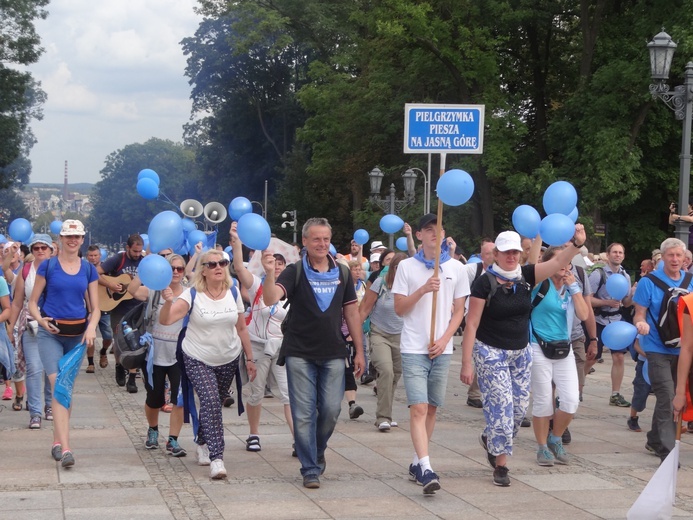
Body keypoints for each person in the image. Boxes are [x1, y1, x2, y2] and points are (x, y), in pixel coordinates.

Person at [460, 225, 587, 487]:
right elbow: (471, 323)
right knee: (502, 407)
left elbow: (559, 261)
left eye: (515, 252)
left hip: (520, 352)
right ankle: (501, 465)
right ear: (495, 254)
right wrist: (466, 362)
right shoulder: (484, 283)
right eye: (506, 252)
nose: (511, 257)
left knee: (518, 410)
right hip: (490, 350)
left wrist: (575, 244)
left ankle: (491, 437)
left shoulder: (527, 276)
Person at [262, 217, 365, 490]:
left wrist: (359, 350)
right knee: (304, 412)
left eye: (326, 239)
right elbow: (270, 298)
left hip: (333, 351)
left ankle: (316, 450)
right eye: (316, 239)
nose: (322, 244)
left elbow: (352, 312)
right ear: (305, 242)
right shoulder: (295, 271)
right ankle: (309, 467)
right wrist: (270, 271)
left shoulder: (342, 272)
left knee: (331, 410)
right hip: (299, 352)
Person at [159, 249, 256, 479]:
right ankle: (217, 458)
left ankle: (202, 441)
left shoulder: (233, 292)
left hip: (228, 357)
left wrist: (250, 358)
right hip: (197, 357)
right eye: (212, 264)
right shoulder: (192, 294)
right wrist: (167, 303)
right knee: (211, 400)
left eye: (222, 263)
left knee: (214, 404)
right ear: (203, 270)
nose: (218, 267)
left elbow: (241, 328)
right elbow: (166, 320)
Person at [392, 213, 469, 495]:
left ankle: (416, 461)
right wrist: (424, 289)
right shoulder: (407, 267)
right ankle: (426, 467)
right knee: (419, 407)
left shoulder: (457, 269)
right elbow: (399, 308)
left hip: (442, 348)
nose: (434, 233)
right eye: (428, 229)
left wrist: (445, 339)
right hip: (413, 346)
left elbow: (459, 311)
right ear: (420, 235)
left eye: (438, 228)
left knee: (433, 407)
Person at [28, 220, 100, 468]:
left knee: (65, 388)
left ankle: (57, 440)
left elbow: (96, 307)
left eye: (77, 236)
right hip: (51, 333)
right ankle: (67, 448)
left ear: (82, 239)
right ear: (60, 238)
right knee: (56, 382)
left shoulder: (89, 269)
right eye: (69, 236)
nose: (73, 240)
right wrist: (40, 320)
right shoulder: (48, 267)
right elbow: (32, 302)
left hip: (77, 336)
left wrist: (91, 327)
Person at [230, 223, 294, 455]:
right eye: (273, 263)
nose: (276, 267)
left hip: (282, 348)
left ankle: (298, 440)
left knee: (289, 394)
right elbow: (238, 268)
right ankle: (253, 434)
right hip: (258, 345)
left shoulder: (291, 289)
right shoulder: (257, 285)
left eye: (280, 264)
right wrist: (237, 242)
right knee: (256, 392)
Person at [633, 237, 693, 462]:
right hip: (656, 347)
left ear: (685, 258)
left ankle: (654, 438)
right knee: (668, 396)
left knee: (672, 397)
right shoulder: (649, 282)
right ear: (663, 257)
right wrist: (641, 323)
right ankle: (668, 452)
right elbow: (639, 312)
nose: (675, 259)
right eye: (671, 255)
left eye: (679, 255)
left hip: (684, 349)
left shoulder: (691, 282)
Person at [530, 246, 589, 467]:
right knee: (544, 400)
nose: (564, 265)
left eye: (567, 261)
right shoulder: (540, 283)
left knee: (571, 400)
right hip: (538, 346)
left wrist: (574, 288)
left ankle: (556, 438)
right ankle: (542, 447)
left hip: (564, 348)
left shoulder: (571, 286)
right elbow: (530, 265)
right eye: (559, 261)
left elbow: (583, 314)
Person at [128, 254, 188, 457]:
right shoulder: (154, 291)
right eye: (172, 268)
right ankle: (153, 429)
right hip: (154, 354)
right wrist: (145, 268)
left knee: (179, 399)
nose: (176, 272)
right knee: (154, 398)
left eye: (180, 268)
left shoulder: (189, 294)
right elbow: (132, 290)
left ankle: (173, 440)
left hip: (179, 354)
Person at [8, 234, 54, 429]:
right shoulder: (26, 271)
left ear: (51, 250)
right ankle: (35, 412)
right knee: (34, 369)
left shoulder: (59, 269)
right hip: (31, 325)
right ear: (32, 251)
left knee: (52, 369)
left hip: (54, 324)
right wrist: (11, 327)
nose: (40, 251)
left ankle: (50, 405)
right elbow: (17, 302)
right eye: (36, 248)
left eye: (44, 248)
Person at [359, 252, 406, 431]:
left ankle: (387, 412)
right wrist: (354, 334)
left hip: (401, 336)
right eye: (397, 268)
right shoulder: (381, 283)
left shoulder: (411, 286)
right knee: (386, 370)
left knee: (395, 373)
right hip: (379, 333)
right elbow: (364, 308)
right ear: (392, 268)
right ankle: (382, 417)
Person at [584, 243, 634, 406]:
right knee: (591, 357)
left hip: (616, 321)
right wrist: (606, 302)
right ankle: (577, 387)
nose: (617, 255)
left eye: (620, 252)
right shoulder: (598, 274)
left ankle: (615, 394)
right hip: (598, 319)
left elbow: (625, 303)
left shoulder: (625, 276)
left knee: (619, 357)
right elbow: (587, 299)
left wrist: (633, 294)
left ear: (624, 255)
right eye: (614, 252)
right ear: (608, 254)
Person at [98, 234, 144, 393]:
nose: (137, 254)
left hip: (138, 307)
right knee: (118, 341)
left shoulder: (145, 262)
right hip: (118, 307)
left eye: (140, 251)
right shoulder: (118, 259)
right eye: (135, 251)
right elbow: (95, 272)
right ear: (128, 248)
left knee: (135, 342)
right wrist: (110, 283)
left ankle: (132, 377)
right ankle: (118, 364)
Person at [463, 238, 495, 409]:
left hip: (493, 320)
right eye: (488, 253)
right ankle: (475, 393)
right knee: (481, 356)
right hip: (474, 318)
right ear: (482, 256)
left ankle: (477, 392)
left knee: (486, 357)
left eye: (494, 252)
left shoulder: (504, 272)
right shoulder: (472, 270)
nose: (492, 256)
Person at [85, 245, 114, 372]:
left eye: (95, 255)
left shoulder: (107, 269)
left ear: (100, 256)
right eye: (90, 255)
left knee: (108, 336)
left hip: (105, 306)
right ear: (87, 256)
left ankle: (103, 351)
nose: (93, 258)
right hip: (89, 307)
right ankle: (90, 362)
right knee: (90, 336)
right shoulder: (84, 269)